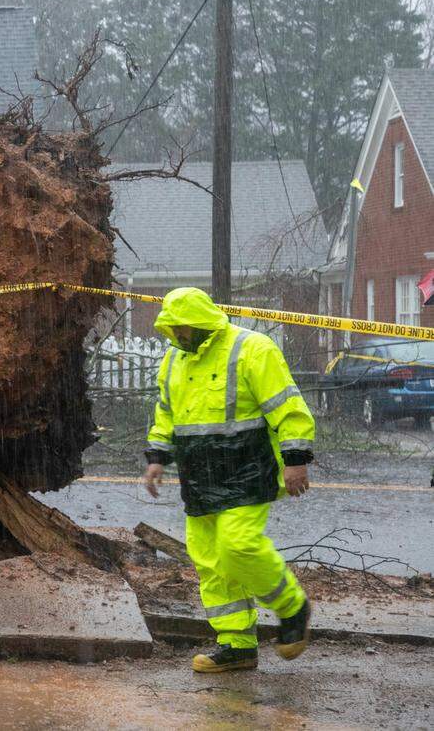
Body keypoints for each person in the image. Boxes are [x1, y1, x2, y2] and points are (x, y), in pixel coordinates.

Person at [141, 287, 314, 673]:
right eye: (173, 330)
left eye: (183, 328)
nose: (179, 336)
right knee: (211, 563)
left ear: (201, 320)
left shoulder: (253, 348)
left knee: (237, 547)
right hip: (199, 477)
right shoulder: (173, 361)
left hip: (247, 470)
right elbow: (166, 413)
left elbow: (288, 406)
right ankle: (236, 644)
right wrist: (157, 457)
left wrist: (296, 458)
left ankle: (291, 608)